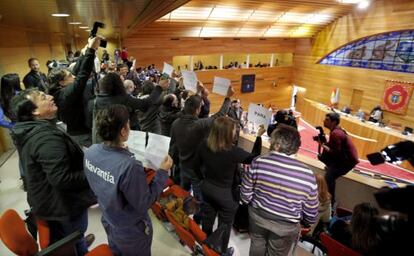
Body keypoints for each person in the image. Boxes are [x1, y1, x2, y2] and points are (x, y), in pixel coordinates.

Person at [10, 89, 96, 255]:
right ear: (35, 111)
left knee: (72, 237)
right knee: (74, 235)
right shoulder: (45, 138)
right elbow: (63, 179)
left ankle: (78, 243)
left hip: (48, 203)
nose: (50, 97)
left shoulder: (29, 130)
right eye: (43, 97)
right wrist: (95, 172)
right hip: (63, 206)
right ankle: (79, 246)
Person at [84, 104, 172, 255]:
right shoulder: (130, 166)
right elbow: (144, 202)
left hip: (109, 218)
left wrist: (122, 153)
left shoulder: (90, 151)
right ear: (123, 131)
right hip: (131, 229)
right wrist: (162, 172)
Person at [241, 124, 319, 256]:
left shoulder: (259, 161)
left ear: (277, 144)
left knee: (256, 246)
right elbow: (311, 214)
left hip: (257, 216)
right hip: (286, 226)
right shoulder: (308, 175)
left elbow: (245, 194)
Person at [196, 117, 264, 255]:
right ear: (228, 133)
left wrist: (204, 181)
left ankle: (205, 248)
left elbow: (196, 167)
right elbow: (255, 157)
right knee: (224, 226)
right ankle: (221, 251)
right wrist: (258, 137)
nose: (235, 132)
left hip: (207, 188)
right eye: (234, 130)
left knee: (207, 221)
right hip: (226, 195)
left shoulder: (203, 144)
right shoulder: (234, 152)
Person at [169, 87, 234, 223]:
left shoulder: (175, 124)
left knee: (183, 193)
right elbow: (220, 115)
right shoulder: (199, 125)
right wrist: (228, 97)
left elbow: (173, 146)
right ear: (197, 110)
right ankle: (195, 223)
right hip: (197, 171)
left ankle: (180, 218)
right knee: (200, 199)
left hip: (182, 165)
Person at [47, 37, 101, 146]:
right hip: (81, 135)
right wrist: (91, 50)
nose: (73, 76)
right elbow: (83, 75)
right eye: (70, 76)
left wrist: (84, 53)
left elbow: (76, 71)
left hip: (78, 130)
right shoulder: (66, 94)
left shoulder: (59, 90)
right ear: (61, 82)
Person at [317, 113, 359, 204]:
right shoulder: (337, 130)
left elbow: (336, 153)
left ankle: (330, 203)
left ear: (334, 122)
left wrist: (322, 145)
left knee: (328, 178)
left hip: (347, 162)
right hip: (345, 159)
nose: (324, 121)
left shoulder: (335, 133)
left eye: (327, 120)